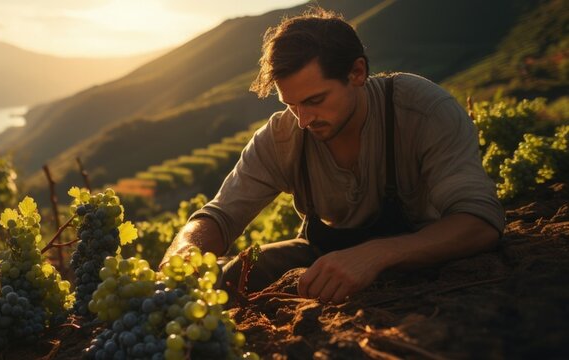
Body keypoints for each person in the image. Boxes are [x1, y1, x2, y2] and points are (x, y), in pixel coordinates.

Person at [159, 8, 504, 304]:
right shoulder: (283, 136)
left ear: (357, 73)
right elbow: (218, 216)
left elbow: (480, 222)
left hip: (423, 256)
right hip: (325, 257)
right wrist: (185, 251)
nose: (303, 120)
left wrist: (377, 255)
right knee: (239, 272)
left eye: (314, 100)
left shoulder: (422, 111)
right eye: (291, 105)